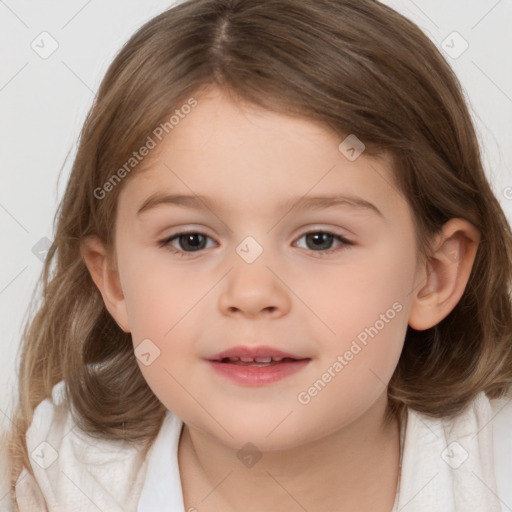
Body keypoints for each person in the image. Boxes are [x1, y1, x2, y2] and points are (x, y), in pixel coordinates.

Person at [2, 0, 512, 511]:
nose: (250, 294)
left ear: (433, 276)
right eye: (190, 240)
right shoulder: (46, 485)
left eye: (320, 239)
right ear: (114, 281)